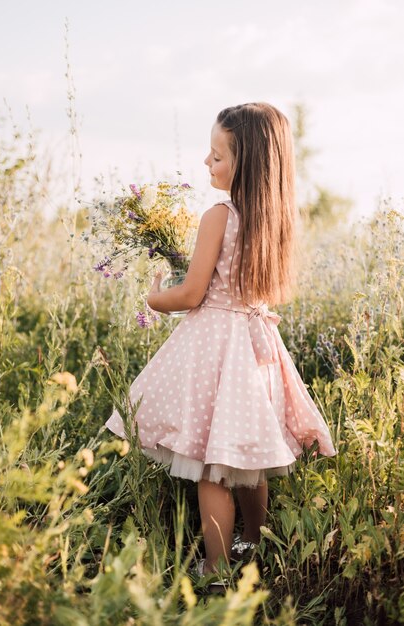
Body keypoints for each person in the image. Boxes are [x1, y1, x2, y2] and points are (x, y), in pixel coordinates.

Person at [105, 102, 337, 582]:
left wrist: (154, 298)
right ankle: (254, 539)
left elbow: (192, 292)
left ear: (245, 162)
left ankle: (216, 567)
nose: (206, 164)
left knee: (213, 463)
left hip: (217, 349)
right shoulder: (275, 221)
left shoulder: (219, 215)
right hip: (259, 347)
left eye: (216, 156)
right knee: (247, 454)